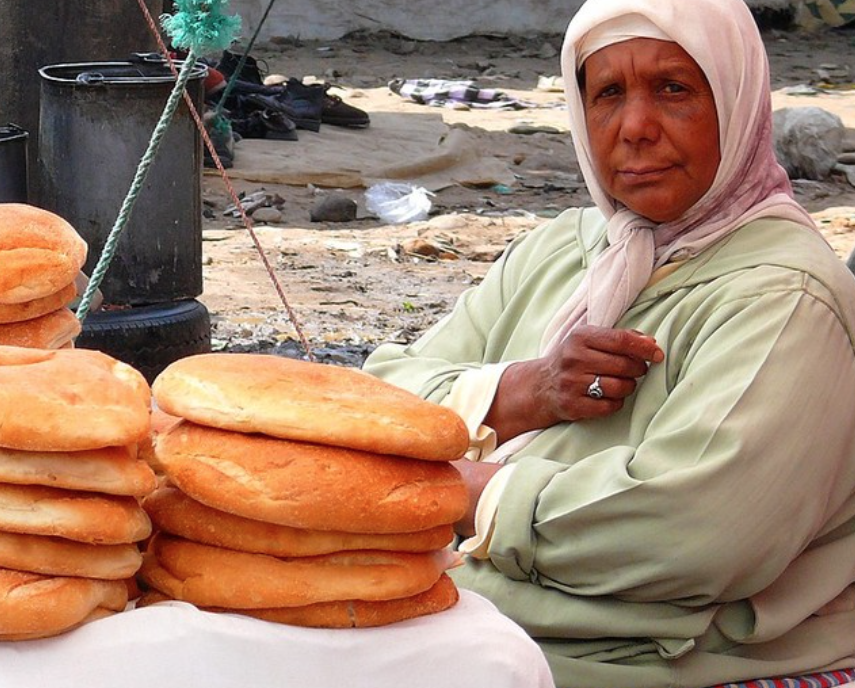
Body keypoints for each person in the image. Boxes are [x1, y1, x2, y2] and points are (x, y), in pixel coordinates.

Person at [362, 0, 855, 686]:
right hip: (476, 615)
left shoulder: (784, 296)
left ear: (739, 107)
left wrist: (475, 492)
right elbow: (374, 405)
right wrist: (522, 393)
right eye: (608, 94)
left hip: (640, 659)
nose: (635, 129)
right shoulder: (564, 247)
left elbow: (694, 534)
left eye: (674, 90)